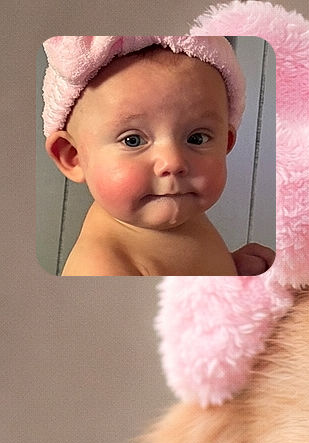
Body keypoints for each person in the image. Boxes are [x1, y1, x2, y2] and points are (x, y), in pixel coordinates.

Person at [42, 36, 272, 276]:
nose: (174, 162)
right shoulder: (102, 270)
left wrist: (231, 269)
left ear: (226, 143)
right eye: (133, 140)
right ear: (73, 156)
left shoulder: (176, 212)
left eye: (197, 138)